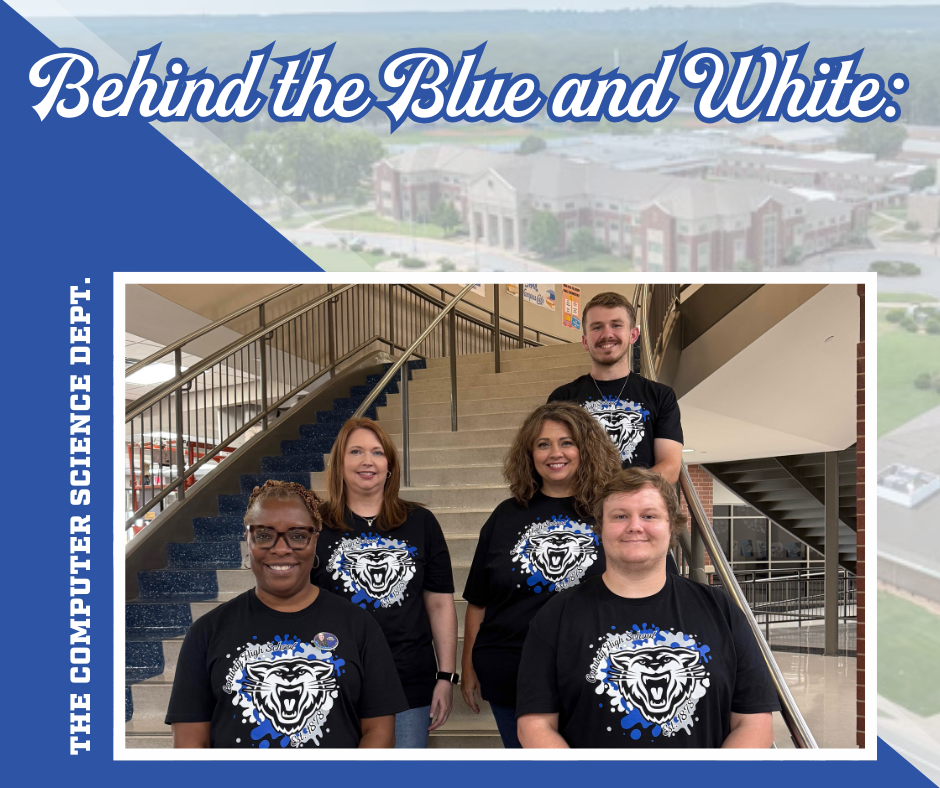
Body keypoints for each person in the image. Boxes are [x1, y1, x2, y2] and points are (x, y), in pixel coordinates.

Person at [516, 468, 780, 749]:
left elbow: (754, 722)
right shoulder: (557, 615)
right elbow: (535, 725)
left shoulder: (720, 609)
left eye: (649, 516)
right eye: (620, 516)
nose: (635, 526)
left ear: (672, 526)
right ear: (600, 529)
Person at [165, 481, 408, 749]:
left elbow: (379, 732)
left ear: (315, 539)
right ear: (248, 540)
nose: (281, 549)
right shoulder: (206, 632)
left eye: (297, 535)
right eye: (264, 535)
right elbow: (189, 744)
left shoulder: (360, 627)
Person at [461, 402, 621, 748]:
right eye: (543, 444)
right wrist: (469, 665)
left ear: (586, 448)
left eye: (567, 442)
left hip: (591, 674)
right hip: (510, 674)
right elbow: (478, 602)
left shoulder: (612, 512)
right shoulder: (505, 515)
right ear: (529, 453)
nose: (555, 453)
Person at [313, 418, 458, 749]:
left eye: (377, 452)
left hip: (408, 677)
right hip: (335, 680)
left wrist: (445, 677)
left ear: (390, 465)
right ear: (339, 464)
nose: (368, 461)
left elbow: (439, 603)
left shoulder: (421, 522)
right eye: (356, 451)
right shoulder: (315, 525)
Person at [547, 291, 684, 484]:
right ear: (585, 341)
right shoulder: (562, 397)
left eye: (616, 325)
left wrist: (620, 495)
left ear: (633, 335)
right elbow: (555, 462)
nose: (607, 334)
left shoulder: (661, 396)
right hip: (581, 509)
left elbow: (669, 468)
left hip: (635, 509)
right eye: (596, 327)